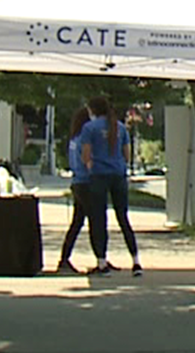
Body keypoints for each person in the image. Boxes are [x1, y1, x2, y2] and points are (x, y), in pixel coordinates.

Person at [78, 94, 142, 275]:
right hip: (118, 174)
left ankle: (102, 261)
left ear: (93, 110)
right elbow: (127, 154)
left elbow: (85, 154)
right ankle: (136, 260)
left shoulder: (89, 128)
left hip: (99, 174)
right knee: (123, 218)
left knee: (99, 219)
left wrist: (90, 166)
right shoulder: (120, 128)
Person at [53, 105, 96, 274]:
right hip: (86, 182)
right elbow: (88, 160)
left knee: (77, 223)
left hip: (77, 182)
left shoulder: (74, 139)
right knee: (95, 221)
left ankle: (64, 259)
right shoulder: (84, 140)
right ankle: (100, 260)